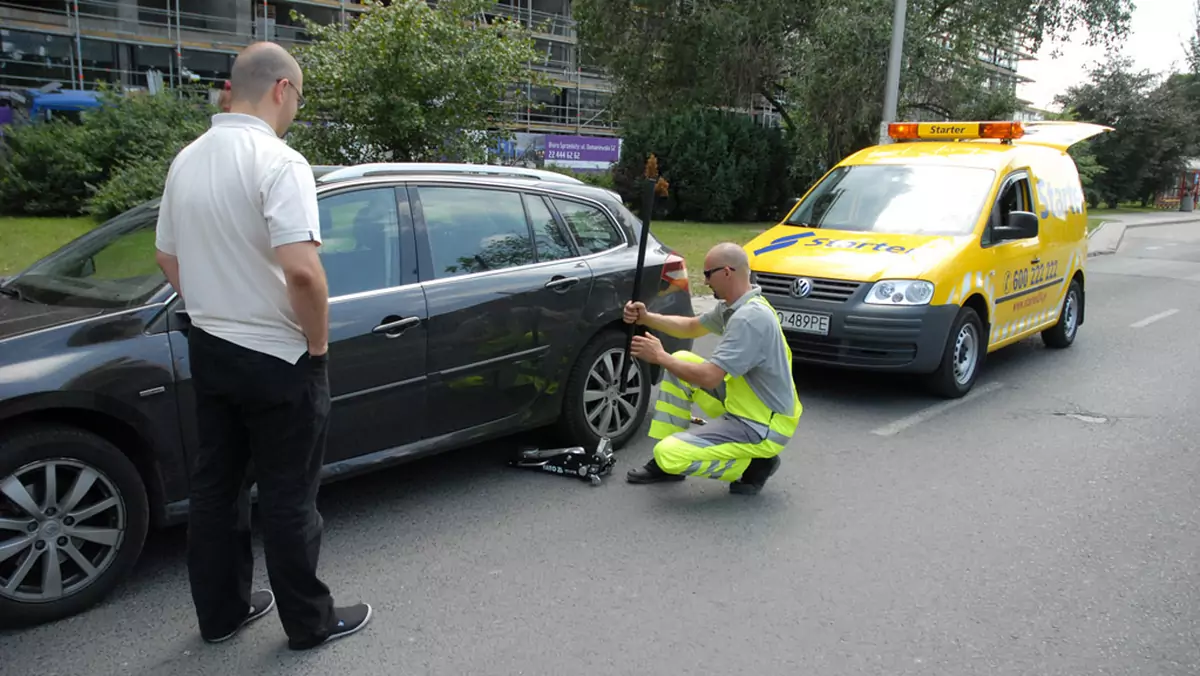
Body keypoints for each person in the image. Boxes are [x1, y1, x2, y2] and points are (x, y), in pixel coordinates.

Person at [154, 41, 370, 650]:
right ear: (282, 90)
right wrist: (318, 344)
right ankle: (310, 623)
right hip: (280, 356)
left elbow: (166, 255)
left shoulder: (187, 160)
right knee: (289, 494)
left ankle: (222, 613)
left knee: (216, 487)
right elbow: (302, 273)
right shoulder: (280, 163)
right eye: (299, 97)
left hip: (211, 346)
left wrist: (211, 304)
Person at [622, 242, 802, 495]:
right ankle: (666, 467)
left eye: (708, 274)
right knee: (682, 359)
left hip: (761, 425)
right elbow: (692, 327)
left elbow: (709, 378)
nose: (705, 282)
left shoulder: (749, 319)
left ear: (727, 272)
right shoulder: (737, 307)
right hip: (750, 403)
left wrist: (660, 357)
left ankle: (755, 464)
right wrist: (647, 317)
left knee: (669, 454)